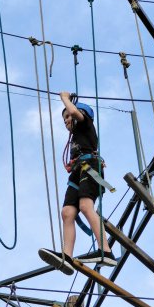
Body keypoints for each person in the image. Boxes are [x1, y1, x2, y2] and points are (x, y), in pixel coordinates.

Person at [38, 91, 117, 275]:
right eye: (64, 119)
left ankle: (106, 251)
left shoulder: (85, 124)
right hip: (77, 172)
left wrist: (64, 98)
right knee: (67, 213)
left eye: (68, 116)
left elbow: (75, 113)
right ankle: (67, 256)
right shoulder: (75, 138)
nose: (66, 120)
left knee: (85, 206)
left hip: (90, 167)